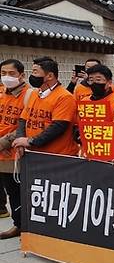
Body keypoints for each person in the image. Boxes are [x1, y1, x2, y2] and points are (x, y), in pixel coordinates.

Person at [9, 57, 78, 238]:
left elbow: (58, 127)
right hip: (35, 157)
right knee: (37, 196)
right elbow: (23, 119)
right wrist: (21, 140)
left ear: (49, 76)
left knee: (56, 198)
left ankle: (58, 234)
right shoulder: (35, 94)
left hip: (57, 157)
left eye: (35, 72)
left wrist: (31, 142)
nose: (32, 76)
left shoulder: (64, 97)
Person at [0, 59, 33, 236]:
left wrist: (3, 142)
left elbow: (24, 125)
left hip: (18, 152)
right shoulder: (2, 94)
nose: (7, 77)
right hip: (2, 154)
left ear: (22, 75)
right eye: (3, 73)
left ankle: (28, 226)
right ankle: (18, 225)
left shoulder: (29, 95)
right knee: (12, 191)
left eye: (11, 74)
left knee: (22, 191)